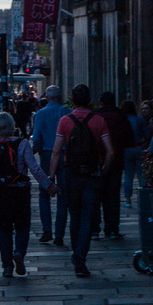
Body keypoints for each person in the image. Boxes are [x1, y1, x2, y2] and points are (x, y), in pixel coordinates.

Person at [50, 83, 113, 278]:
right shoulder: (98, 120)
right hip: (92, 175)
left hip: (72, 174)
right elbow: (111, 151)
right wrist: (103, 171)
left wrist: (51, 178)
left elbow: (56, 152)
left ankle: (76, 254)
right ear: (89, 100)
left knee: (74, 215)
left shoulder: (65, 121)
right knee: (88, 217)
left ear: (73, 99)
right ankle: (80, 257)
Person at [0, 111, 57, 278]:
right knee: (22, 225)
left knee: (4, 228)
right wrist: (49, 186)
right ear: (12, 126)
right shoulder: (23, 144)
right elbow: (35, 169)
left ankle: (7, 266)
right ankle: (19, 252)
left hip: (0, 191)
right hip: (20, 191)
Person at [31, 84, 69, 246]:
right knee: (63, 195)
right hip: (65, 155)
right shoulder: (67, 112)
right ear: (60, 97)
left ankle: (47, 230)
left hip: (47, 155)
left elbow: (36, 138)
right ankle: (59, 234)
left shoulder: (40, 114)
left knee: (44, 192)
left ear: (46, 97)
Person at [93, 91, 134, 239]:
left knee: (96, 196)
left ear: (101, 102)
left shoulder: (96, 117)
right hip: (116, 162)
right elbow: (129, 140)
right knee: (113, 197)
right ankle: (112, 229)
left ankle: (95, 229)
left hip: (97, 162)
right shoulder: (121, 117)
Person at [121, 99, 150, 207]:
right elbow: (147, 135)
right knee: (141, 174)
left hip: (127, 149)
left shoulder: (122, 120)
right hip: (138, 147)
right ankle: (143, 199)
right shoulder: (139, 119)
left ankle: (128, 200)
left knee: (128, 176)